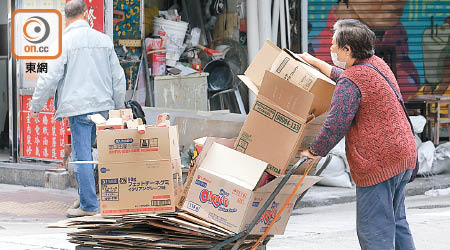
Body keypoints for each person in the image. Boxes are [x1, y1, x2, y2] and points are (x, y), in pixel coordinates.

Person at [299, 19, 417, 250]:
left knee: (374, 231)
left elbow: (336, 123)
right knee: (396, 222)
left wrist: (314, 151)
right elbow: (343, 76)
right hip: (404, 155)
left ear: (348, 49)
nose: (330, 48)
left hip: (379, 162)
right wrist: (313, 62)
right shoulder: (377, 65)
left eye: (334, 45)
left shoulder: (352, 80)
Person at [30, 0, 125, 217]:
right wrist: (119, 106)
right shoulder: (104, 40)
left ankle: (89, 206)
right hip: (103, 108)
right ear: (85, 14)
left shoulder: (62, 42)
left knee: (82, 155)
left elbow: (48, 77)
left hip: (79, 109)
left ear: (66, 17)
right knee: (93, 153)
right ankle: (87, 195)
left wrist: (36, 105)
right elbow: (118, 77)